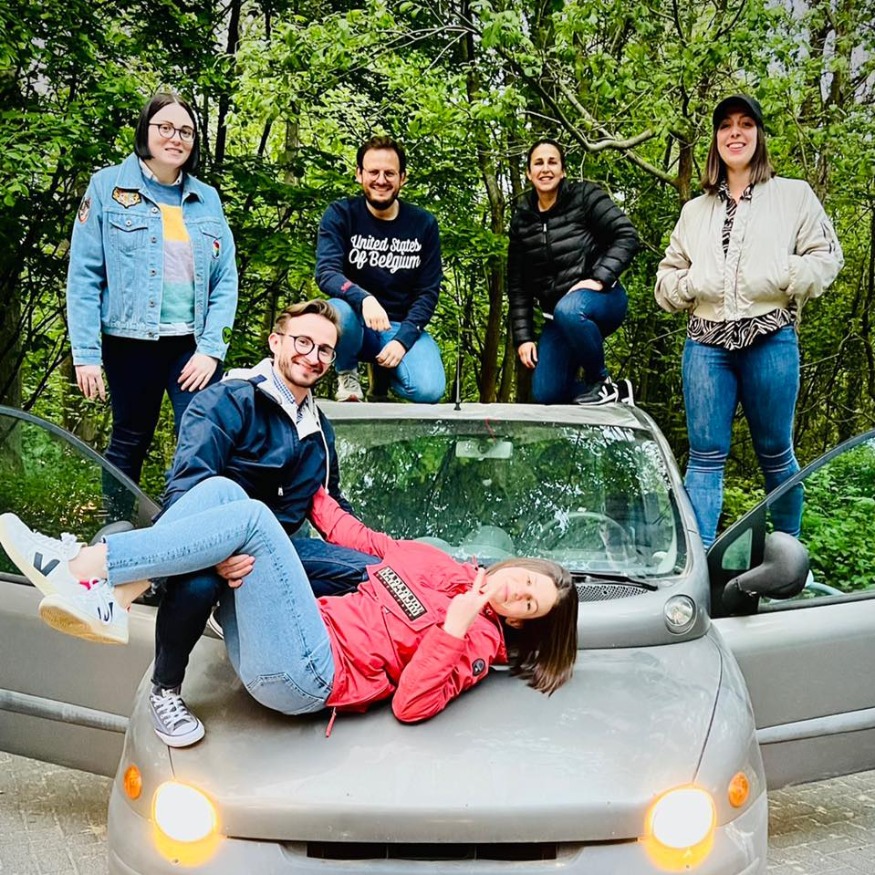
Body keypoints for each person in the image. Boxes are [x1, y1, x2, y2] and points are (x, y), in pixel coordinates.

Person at [0, 478, 579, 724]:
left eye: (528, 605)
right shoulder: (442, 566)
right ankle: (116, 601)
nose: (518, 592)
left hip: (309, 674)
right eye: (527, 581)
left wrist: (452, 629)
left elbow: (411, 705)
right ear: (518, 564)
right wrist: (313, 485)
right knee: (223, 490)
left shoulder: (476, 642)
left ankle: (83, 567)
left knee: (251, 518)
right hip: (284, 632)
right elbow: (364, 540)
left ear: (518, 622)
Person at [145, 298, 375, 745]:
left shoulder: (320, 431)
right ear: (276, 342)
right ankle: (165, 689)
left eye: (325, 350)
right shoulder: (228, 399)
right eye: (303, 342)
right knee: (197, 583)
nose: (313, 356)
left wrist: (387, 551)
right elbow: (187, 491)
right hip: (213, 548)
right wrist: (216, 555)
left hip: (275, 555)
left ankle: (340, 658)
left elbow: (333, 507)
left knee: (372, 572)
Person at [655, 95, 843, 547]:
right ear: (715, 139)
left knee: (777, 454)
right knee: (704, 458)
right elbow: (665, 280)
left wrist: (782, 273)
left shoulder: (794, 195)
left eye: (745, 124)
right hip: (706, 346)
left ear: (759, 135)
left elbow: (827, 258)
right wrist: (693, 283)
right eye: (725, 125)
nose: (735, 133)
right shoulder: (694, 211)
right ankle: (698, 565)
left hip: (770, 338)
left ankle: (789, 557)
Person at [67, 92, 238, 484]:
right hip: (130, 343)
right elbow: (84, 276)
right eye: (166, 128)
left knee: (202, 440)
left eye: (186, 131)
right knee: (130, 438)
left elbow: (225, 279)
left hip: (192, 345)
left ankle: (183, 519)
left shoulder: (207, 198)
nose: (176, 138)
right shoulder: (106, 188)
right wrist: (86, 354)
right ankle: (115, 519)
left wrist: (211, 350)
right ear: (145, 130)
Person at [507, 139, 639, 405]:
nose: (546, 169)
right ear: (529, 173)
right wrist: (523, 338)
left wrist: (600, 278)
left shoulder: (585, 197)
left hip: (603, 301)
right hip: (558, 317)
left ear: (563, 170)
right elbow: (518, 284)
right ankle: (618, 393)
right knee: (546, 394)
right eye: (538, 163)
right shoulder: (522, 219)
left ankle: (601, 382)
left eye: (552, 162)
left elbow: (627, 235)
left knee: (569, 309)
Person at [315, 135, 446, 403]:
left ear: (402, 178)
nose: (381, 180)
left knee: (429, 390)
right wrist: (364, 299)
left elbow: (428, 292)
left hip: (399, 325)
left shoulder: (423, 224)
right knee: (336, 311)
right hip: (353, 321)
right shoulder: (340, 214)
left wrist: (403, 340)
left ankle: (385, 376)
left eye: (389, 173)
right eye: (373, 172)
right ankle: (347, 373)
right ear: (359, 174)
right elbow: (326, 272)